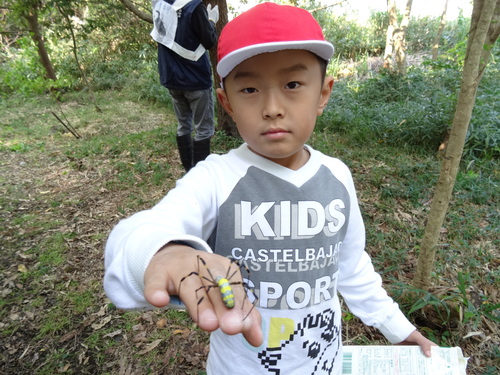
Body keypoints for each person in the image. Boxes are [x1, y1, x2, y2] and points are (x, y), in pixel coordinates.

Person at [105, 3, 436, 374]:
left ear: (323, 93)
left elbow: (351, 265)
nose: (272, 108)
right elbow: (138, 232)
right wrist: (163, 252)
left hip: (321, 364)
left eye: (293, 84)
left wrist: (397, 328)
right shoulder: (216, 178)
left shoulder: (338, 177)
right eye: (249, 88)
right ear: (226, 102)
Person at [151, 0, 219, 172]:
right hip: (195, 78)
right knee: (203, 130)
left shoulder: (159, 3)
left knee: (184, 126)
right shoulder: (193, 6)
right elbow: (209, 40)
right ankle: (199, 176)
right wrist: (211, 21)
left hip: (171, 77)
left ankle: (189, 171)